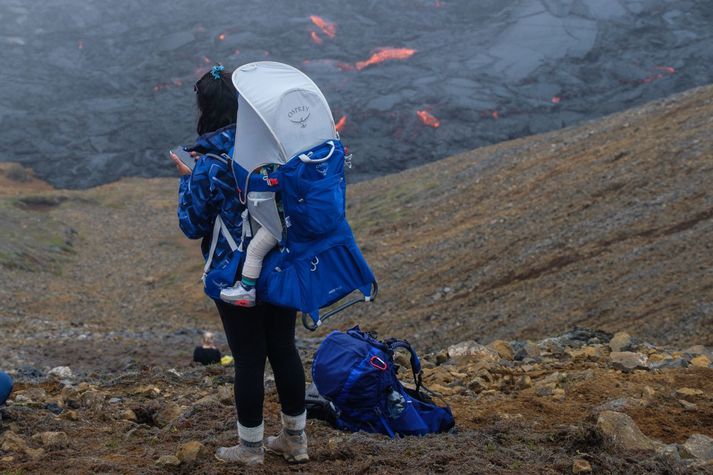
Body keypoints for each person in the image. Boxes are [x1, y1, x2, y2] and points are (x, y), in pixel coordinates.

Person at [170, 65, 308, 466]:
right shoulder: (277, 148)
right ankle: (295, 440)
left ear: (205, 110)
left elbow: (192, 225)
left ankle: (250, 449)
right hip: (281, 264)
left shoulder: (209, 164)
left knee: (248, 358)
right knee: (284, 348)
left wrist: (187, 178)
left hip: (234, 275)